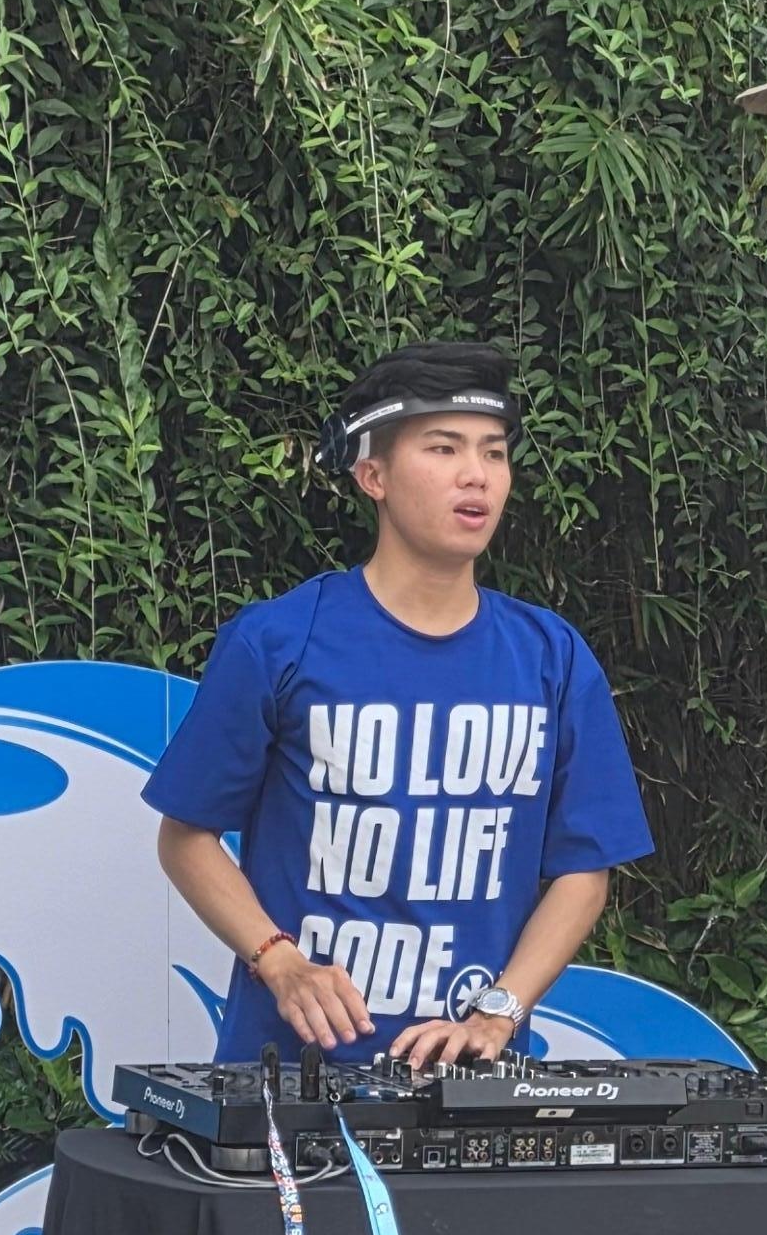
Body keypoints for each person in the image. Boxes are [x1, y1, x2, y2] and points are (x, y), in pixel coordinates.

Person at [146, 344, 650, 1069]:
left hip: (472, 1086)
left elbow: (585, 871)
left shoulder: (552, 657)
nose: (476, 474)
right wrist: (279, 961)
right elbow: (185, 836)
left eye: (494, 452)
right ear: (372, 475)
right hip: (291, 1082)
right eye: (443, 448)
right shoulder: (279, 642)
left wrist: (500, 1012)